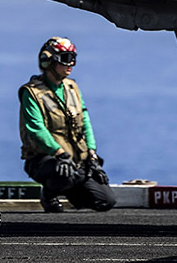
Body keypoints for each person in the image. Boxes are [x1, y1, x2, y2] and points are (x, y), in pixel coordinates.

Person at [18, 37, 116, 212]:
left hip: (75, 159)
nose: (70, 64)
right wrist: (59, 153)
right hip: (44, 159)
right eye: (65, 58)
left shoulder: (72, 88)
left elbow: (85, 121)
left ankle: (73, 193)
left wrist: (92, 154)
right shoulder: (32, 93)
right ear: (49, 61)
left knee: (105, 201)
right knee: (64, 172)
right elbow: (36, 128)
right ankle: (49, 194)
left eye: (73, 59)